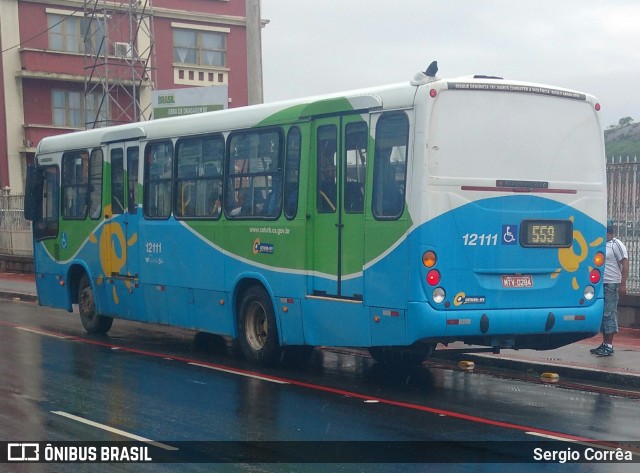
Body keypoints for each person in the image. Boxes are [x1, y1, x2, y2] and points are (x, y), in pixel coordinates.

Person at [591, 219, 629, 356]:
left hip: (612, 284)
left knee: (609, 314)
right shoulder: (601, 245)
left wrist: (623, 284)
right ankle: (604, 343)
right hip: (600, 284)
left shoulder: (616, 245)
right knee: (603, 315)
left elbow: (625, 263)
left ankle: (609, 345)